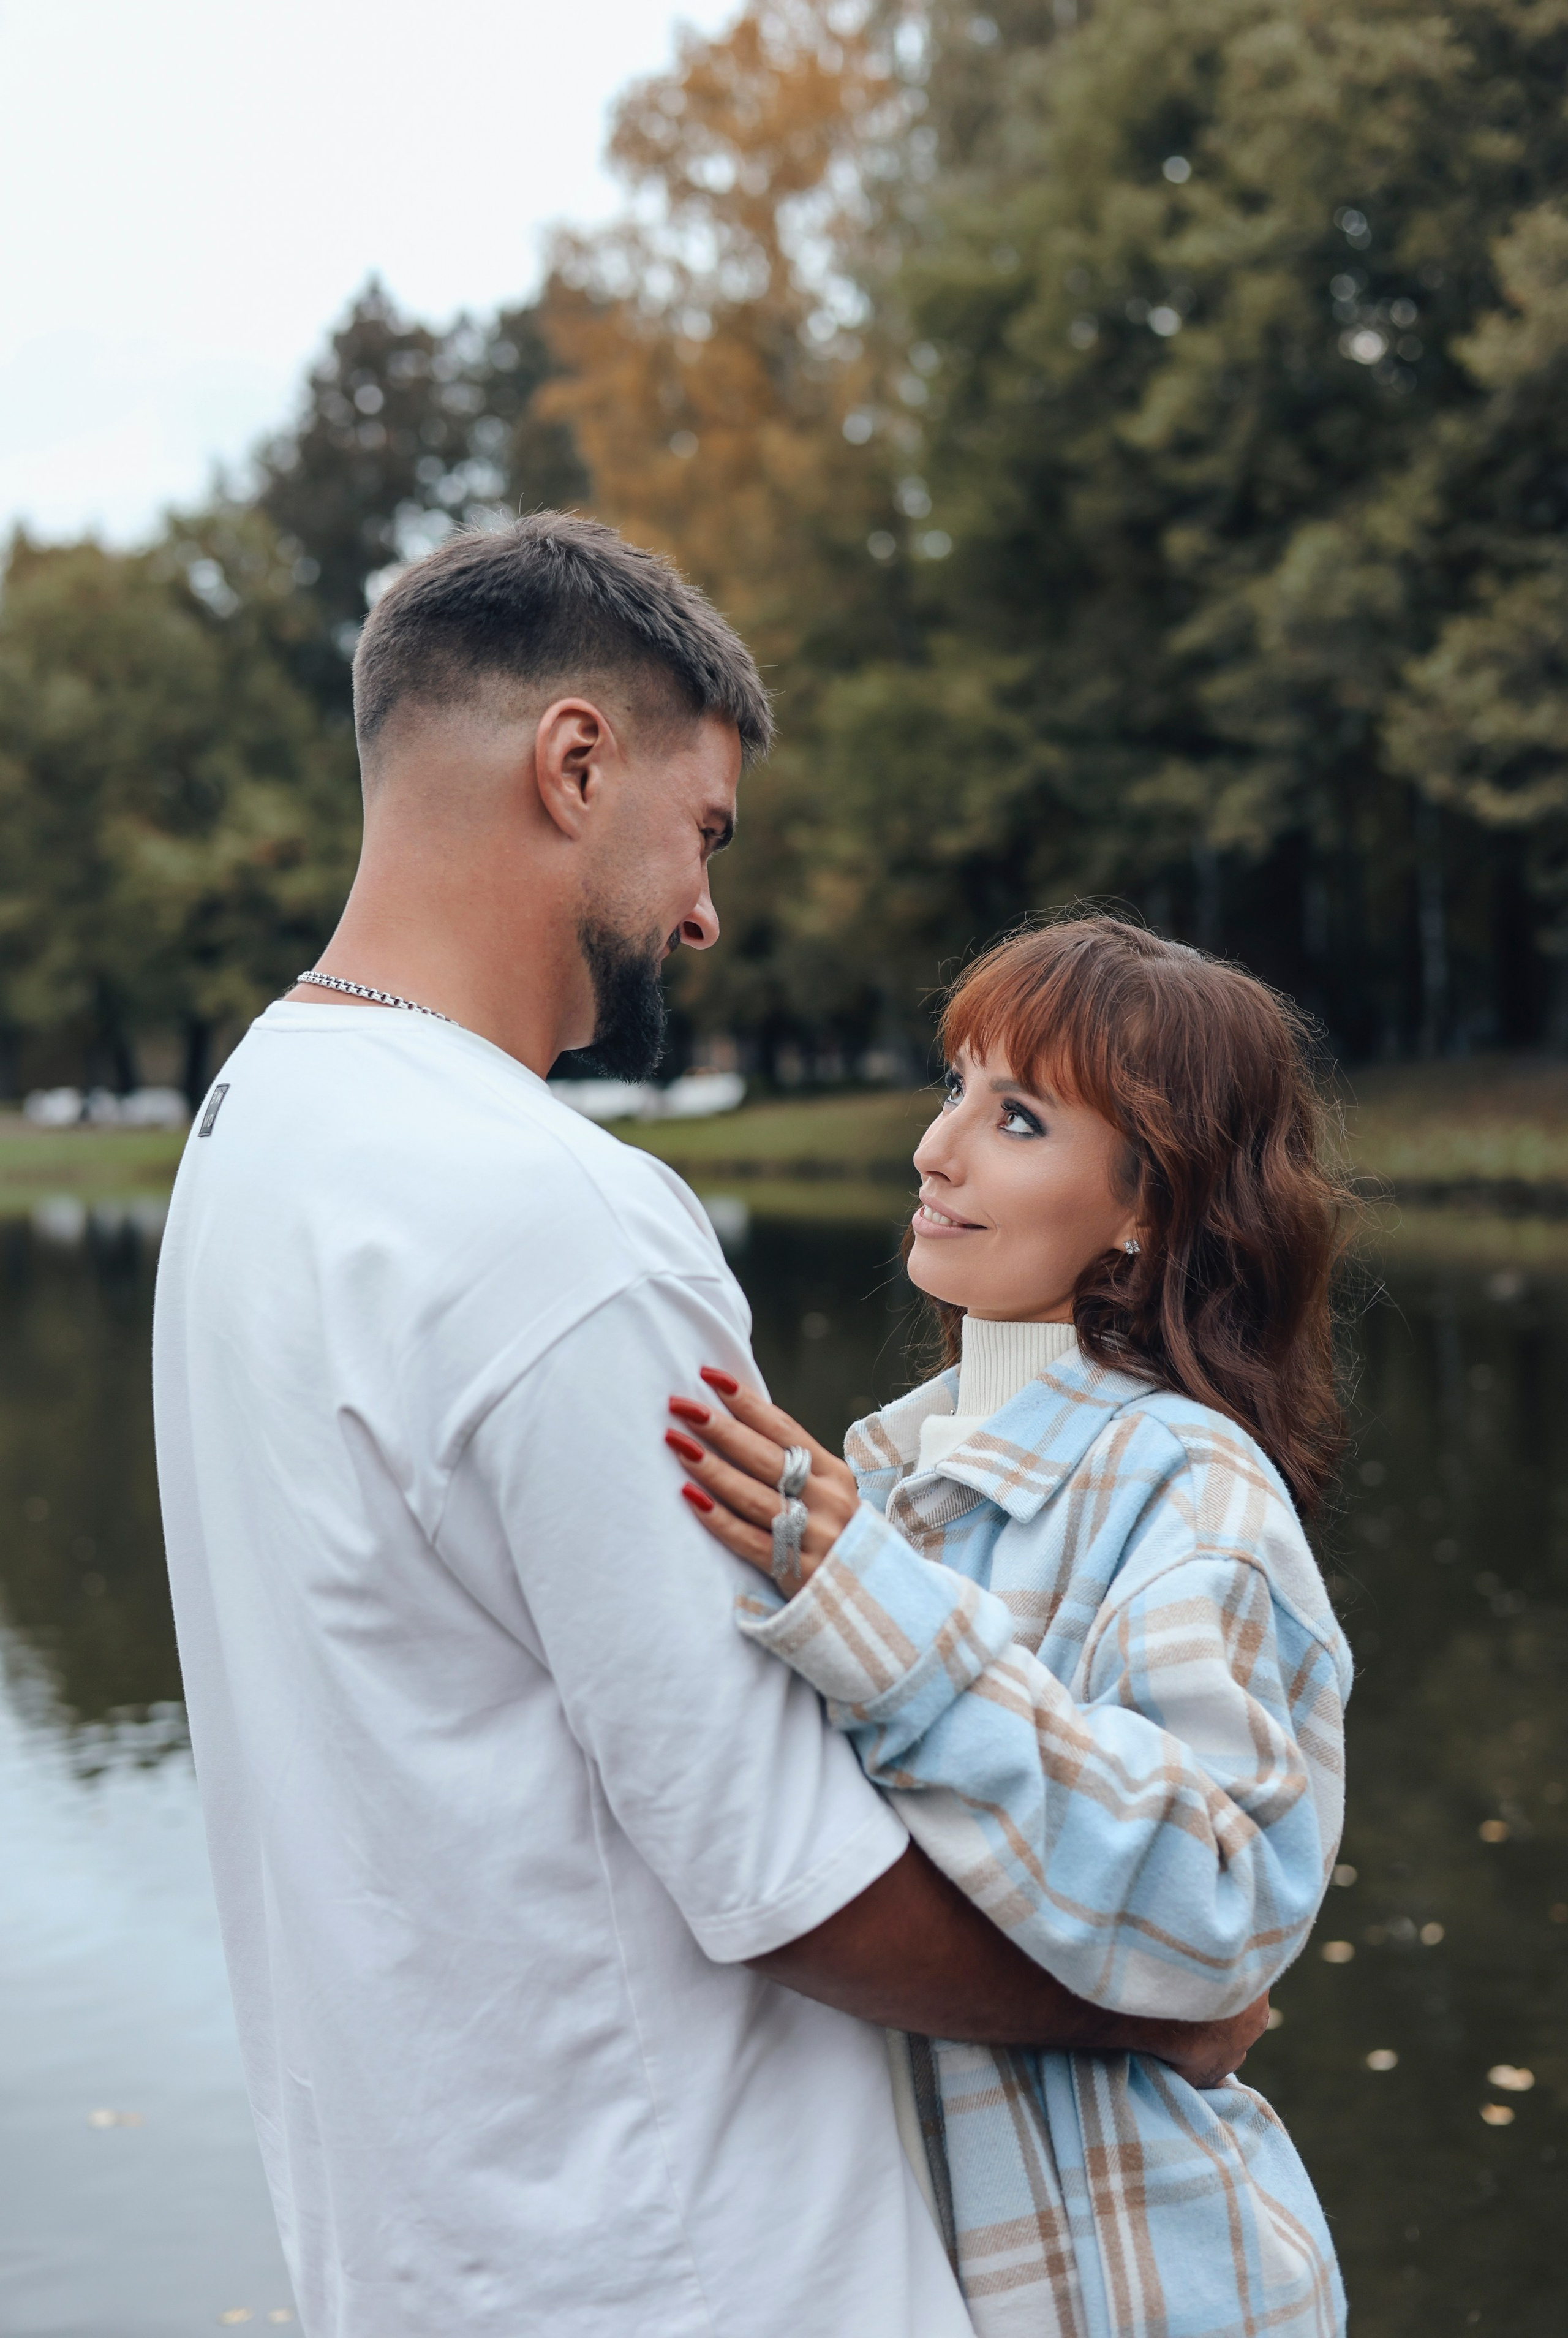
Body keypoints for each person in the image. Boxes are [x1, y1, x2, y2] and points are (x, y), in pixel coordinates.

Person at [152, 521, 1262, 2338]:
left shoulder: (256, 1127)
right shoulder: (558, 1223)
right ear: (574, 765)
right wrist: (1168, 2009)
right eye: (706, 831)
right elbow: (792, 1877)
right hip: (688, 2268)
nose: (704, 912)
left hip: (426, 2252)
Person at [664, 916, 1354, 2338]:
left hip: (1143, 2287)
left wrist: (884, 1624)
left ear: (1143, 1207)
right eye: (953, 1089)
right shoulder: (887, 1478)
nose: (938, 1149)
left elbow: (1218, 1902)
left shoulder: (1184, 1476)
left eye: (1018, 1116)